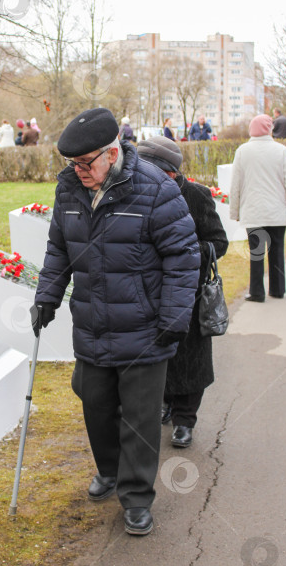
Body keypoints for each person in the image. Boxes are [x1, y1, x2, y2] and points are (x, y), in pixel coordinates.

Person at [31, 108, 200, 536]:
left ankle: (137, 497)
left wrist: (174, 317)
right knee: (95, 404)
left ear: (111, 153)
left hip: (146, 328)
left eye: (86, 163)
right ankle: (110, 469)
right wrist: (47, 297)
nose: (79, 171)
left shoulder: (156, 191)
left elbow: (184, 259)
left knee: (140, 420)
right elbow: (58, 249)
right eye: (73, 163)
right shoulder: (70, 190)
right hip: (92, 322)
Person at [138, 136, 228, 447]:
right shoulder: (138, 196)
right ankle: (165, 402)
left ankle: (185, 420)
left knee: (190, 360)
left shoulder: (197, 197)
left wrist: (187, 251)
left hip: (190, 293)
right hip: (151, 292)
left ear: (172, 174)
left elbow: (219, 242)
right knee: (159, 353)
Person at [229, 114, 286, 302]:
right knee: (277, 250)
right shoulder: (280, 151)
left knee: (256, 254)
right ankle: (277, 290)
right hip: (276, 213)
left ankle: (257, 292)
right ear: (269, 129)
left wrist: (235, 212)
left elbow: (236, 184)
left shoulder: (242, 151)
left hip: (253, 212)